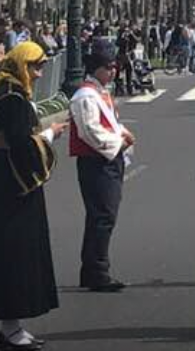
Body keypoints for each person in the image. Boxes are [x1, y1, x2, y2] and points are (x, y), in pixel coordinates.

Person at [0, 43, 67, 349]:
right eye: (35, 67)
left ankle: (13, 325)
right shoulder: (12, 98)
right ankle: (9, 327)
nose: (40, 74)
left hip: (10, 177)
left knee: (18, 250)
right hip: (10, 179)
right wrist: (51, 134)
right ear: (21, 66)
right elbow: (21, 143)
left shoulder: (10, 92)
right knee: (11, 252)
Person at [69, 37, 134, 292]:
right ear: (96, 67)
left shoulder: (100, 93)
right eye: (109, 66)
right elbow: (90, 132)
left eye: (114, 65)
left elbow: (107, 124)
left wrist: (122, 134)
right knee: (103, 216)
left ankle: (93, 268)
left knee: (103, 215)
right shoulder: (86, 95)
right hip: (97, 162)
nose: (113, 70)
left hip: (106, 160)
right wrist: (118, 141)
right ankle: (97, 270)